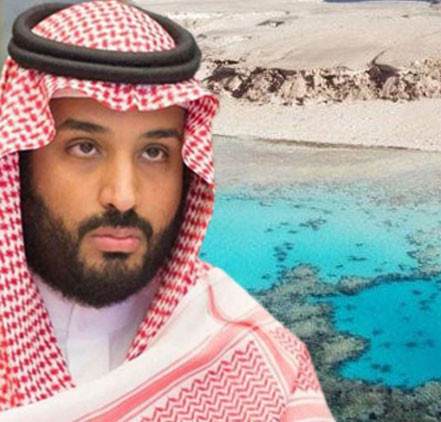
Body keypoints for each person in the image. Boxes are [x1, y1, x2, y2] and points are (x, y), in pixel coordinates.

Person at [0, 1, 334, 420]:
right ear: (20, 161)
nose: (123, 197)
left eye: (154, 152)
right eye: (85, 147)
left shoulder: (263, 366)